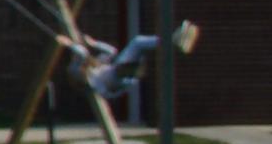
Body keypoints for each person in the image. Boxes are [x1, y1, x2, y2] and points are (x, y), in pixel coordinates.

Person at [57, 21, 200, 100]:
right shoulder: (88, 78)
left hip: (122, 71)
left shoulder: (97, 65)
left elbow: (111, 51)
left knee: (140, 44)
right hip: (119, 74)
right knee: (138, 43)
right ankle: (173, 41)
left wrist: (94, 43)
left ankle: (175, 42)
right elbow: (81, 53)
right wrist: (69, 44)